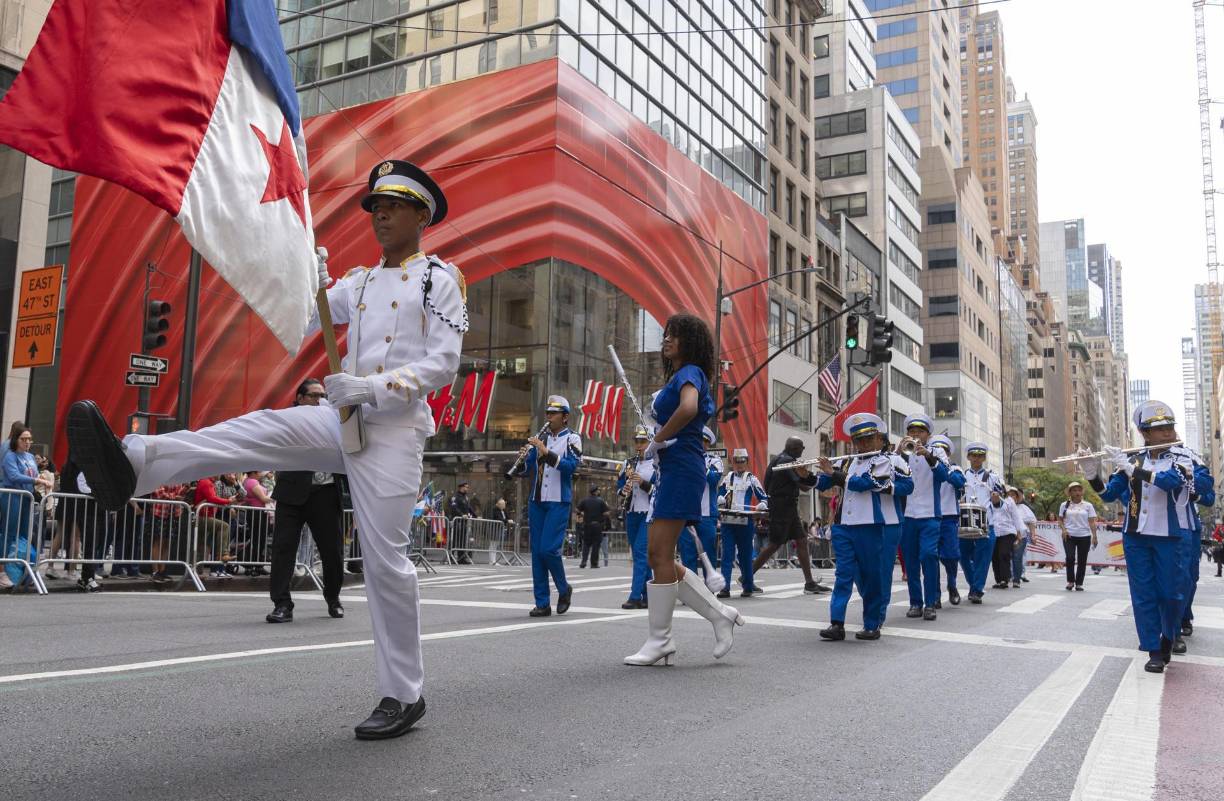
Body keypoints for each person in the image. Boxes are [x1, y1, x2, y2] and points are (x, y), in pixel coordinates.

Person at [66, 158, 464, 738]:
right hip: (343, 418)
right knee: (256, 430)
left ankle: (403, 695)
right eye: (376, 205)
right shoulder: (359, 281)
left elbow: (444, 362)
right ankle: (134, 463)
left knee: (385, 563)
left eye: (394, 205)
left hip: (395, 430)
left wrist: (376, 386)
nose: (380, 214)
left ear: (421, 214)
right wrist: (307, 281)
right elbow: (301, 323)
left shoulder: (437, 279)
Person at [625, 313, 743, 666]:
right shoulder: (680, 376)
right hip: (673, 469)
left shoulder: (690, 372)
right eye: (666, 335)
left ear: (690, 341)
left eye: (675, 335)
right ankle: (719, 615)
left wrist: (657, 440)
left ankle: (661, 640)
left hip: (681, 469)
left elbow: (689, 408)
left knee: (658, 555)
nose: (667, 340)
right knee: (660, 557)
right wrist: (657, 438)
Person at [1084, 400, 1211, 673]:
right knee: (1143, 595)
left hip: (1172, 535)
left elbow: (1169, 482)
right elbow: (1108, 494)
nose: (1168, 432)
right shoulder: (1132, 459)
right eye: (1160, 429)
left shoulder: (1184, 458)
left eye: (1170, 427)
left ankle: (1169, 634)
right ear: (1145, 433)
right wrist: (1091, 473)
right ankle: (1153, 649)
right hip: (1136, 536)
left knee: (1173, 594)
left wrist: (1132, 470)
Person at [814, 414, 913, 641]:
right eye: (858, 441)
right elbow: (825, 482)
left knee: (874, 575)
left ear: (879, 439)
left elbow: (867, 484)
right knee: (844, 575)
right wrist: (804, 477)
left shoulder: (887, 461)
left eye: (868, 439)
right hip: (844, 526)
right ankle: (837, 623)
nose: (863, 445)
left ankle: (873, 622)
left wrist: (835, 474)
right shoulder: (847, 461)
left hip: (874, 524)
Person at [267, 378, 346, 624]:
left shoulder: (335, 420)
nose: (319, 399)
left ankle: (333, 598)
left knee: (332, 552)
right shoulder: (288, 420)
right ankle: (282, 604)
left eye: (323, 395)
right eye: (313, 395)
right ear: (300, 398)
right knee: (283, 550)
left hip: (325, 493)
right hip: (291, 493)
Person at [510, 395, 579, 617]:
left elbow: (570, 467)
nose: (548, 417)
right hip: (537, 501)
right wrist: (522, 459)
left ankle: (563, 588)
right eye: (547, 413)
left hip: (559, 501)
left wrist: (546, 452)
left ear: (565, 416)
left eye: (553, 414)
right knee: (537, 554)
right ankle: (542, 603)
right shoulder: (541, 439)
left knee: (549, 549)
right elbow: (528, 470)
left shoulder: (573, 439)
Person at [898, 414, 958, 620]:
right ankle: (916, 602)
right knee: (911, 560)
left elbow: (944, 476)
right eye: (911, 432)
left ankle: (931, 602)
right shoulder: (903, 453)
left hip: (930, 514)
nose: (915, 435)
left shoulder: (937, 450)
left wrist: (928, 456)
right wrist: (898, 453)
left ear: (928, 434)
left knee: (928, 555)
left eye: (919, 432)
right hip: (907, 516)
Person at [754, 436, 830, 593]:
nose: (802, 450)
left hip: (786, 506)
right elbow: (804, 485)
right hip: (782, 507)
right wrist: (816, 477)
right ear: (794, 448)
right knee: (774, 544)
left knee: (801, 540)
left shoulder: (779, 460)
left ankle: (809, 583)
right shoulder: (786, 461)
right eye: (801, 447)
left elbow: (798, 485)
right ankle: (747, 576)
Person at [1, 425, 54, 588]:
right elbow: (13, 475)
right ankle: (2, 571)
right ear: (15, 439)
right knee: (9, 533)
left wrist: (41, 481)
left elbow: (33, 474)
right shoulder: (10, 455)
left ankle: (23, 570)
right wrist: (38, 481)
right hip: (12, 496)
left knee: (24, 535)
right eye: (23, 439)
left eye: (29, 439)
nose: (27, 442)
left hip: (27, 498)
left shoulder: (30, 457)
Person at [717, 448, 767, 598]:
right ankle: (725, 588)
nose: (739, 464)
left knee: (745, 555)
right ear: (733, 462)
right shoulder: (727, 478)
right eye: (736, 461)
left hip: (745, 521)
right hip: (728, 521)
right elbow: (719, 494)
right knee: (727, 555)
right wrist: (719, 500)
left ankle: (748, 586)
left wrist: (762, 504)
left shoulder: (752, 479)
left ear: (747, 462)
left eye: (742, 461)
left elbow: (763, 497)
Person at [959, 442, 1003, 604]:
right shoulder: (962, 475)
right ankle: (974, 585)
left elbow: (1000, 501)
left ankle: (977, 589)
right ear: (968, 457)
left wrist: (997, 499)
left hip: (986, 522)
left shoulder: (992, 477)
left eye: (980, 456)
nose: (977, 458)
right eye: (974, 455)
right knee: (963, 556)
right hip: (965, 521)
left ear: (984, 457)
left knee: (982, 558)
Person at [617, 426, 655, 609]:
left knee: (640, 553)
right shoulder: (628, 463)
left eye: (643, 442)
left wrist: (642, 483)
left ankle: (634, 596)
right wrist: (623, 490)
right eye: (637, 441)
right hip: (632, 512)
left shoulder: (657, 464)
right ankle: (648, 595)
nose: (639, 445)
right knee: (641, 555)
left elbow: (660, 491)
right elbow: (619, 485)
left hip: (649, 513)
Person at [927, 435, 966, 605]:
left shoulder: (955, 468)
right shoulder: (925, 468)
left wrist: (945, 466)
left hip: (949, 517)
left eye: (943, 451)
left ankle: (952, 584)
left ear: (948, 454)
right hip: (929, 515)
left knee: (951, 555)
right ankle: (935, 595)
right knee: (931, 557)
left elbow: (959, 482)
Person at [678, 427, 721, 579]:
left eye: (704, 441)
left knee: (708, 553)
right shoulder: (684, 458)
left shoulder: (714, 460)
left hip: (706, 515)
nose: (701, 443)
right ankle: (693, 589)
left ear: (708, 444)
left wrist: (698, 461)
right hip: (686, 513)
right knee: (687, 553)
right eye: (698, 440)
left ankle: (710, 588)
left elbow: (714, 480)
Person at [1057, 481, 1098, 591]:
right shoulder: (1064, 505)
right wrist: (1064, 529)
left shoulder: (1088, 505)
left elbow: (1092, 522)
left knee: (1082, 560)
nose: (1077, 492)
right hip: (1069, 535)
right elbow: (1060, 520)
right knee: (1070, 558)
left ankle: (1079, 583)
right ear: (1070, 493)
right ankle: (1071, 581)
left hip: (1084, 535)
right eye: (1074, 490)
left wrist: (1094, 536)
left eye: (1079, 490)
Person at [990, 485, 1026, 589]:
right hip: (994, 531)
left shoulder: (1009, 501)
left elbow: (1016, 517)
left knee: (1004, 553)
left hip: (1008, 531)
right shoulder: (990, 500)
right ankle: (998, 579)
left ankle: (1004, 579)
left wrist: (1019, 533)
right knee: (995, 556)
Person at [576, 486, 609, 570]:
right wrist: (600, 516)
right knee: (596, 545)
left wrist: (584, 514)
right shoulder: (600, 501)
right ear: (595, 492)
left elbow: (577, 510)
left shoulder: (584, 500)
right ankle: (594, 563)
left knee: (586, 544)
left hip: (587, 525)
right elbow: (606, 513)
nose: (599, 491)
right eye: (598, 490)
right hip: (597, 526)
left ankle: (583, 562)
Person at [1011, 493, 1037, 586]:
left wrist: (1033, 535)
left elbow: (1032, 522)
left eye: (1014, 495)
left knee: (1017, 557)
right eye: (1009, 495)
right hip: (1006, 535)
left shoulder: (1024, 508)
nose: (1012, 497)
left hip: (1021, 535)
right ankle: (1006, 577)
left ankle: (1016, 578)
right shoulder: (1004, 506)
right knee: (1005, 556)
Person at [447, 481, 475, 564]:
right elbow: (454, 507)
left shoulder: (465, 497)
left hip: (463, 522)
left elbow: (469, 508)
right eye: (466, 487)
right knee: (454, 540)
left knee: (462, 540)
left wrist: (476, 515)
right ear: (461, 487)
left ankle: (461, 558)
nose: (467, 488)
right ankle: (451, 557)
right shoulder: (455, 497)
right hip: (457, 521)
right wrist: (462, 515)